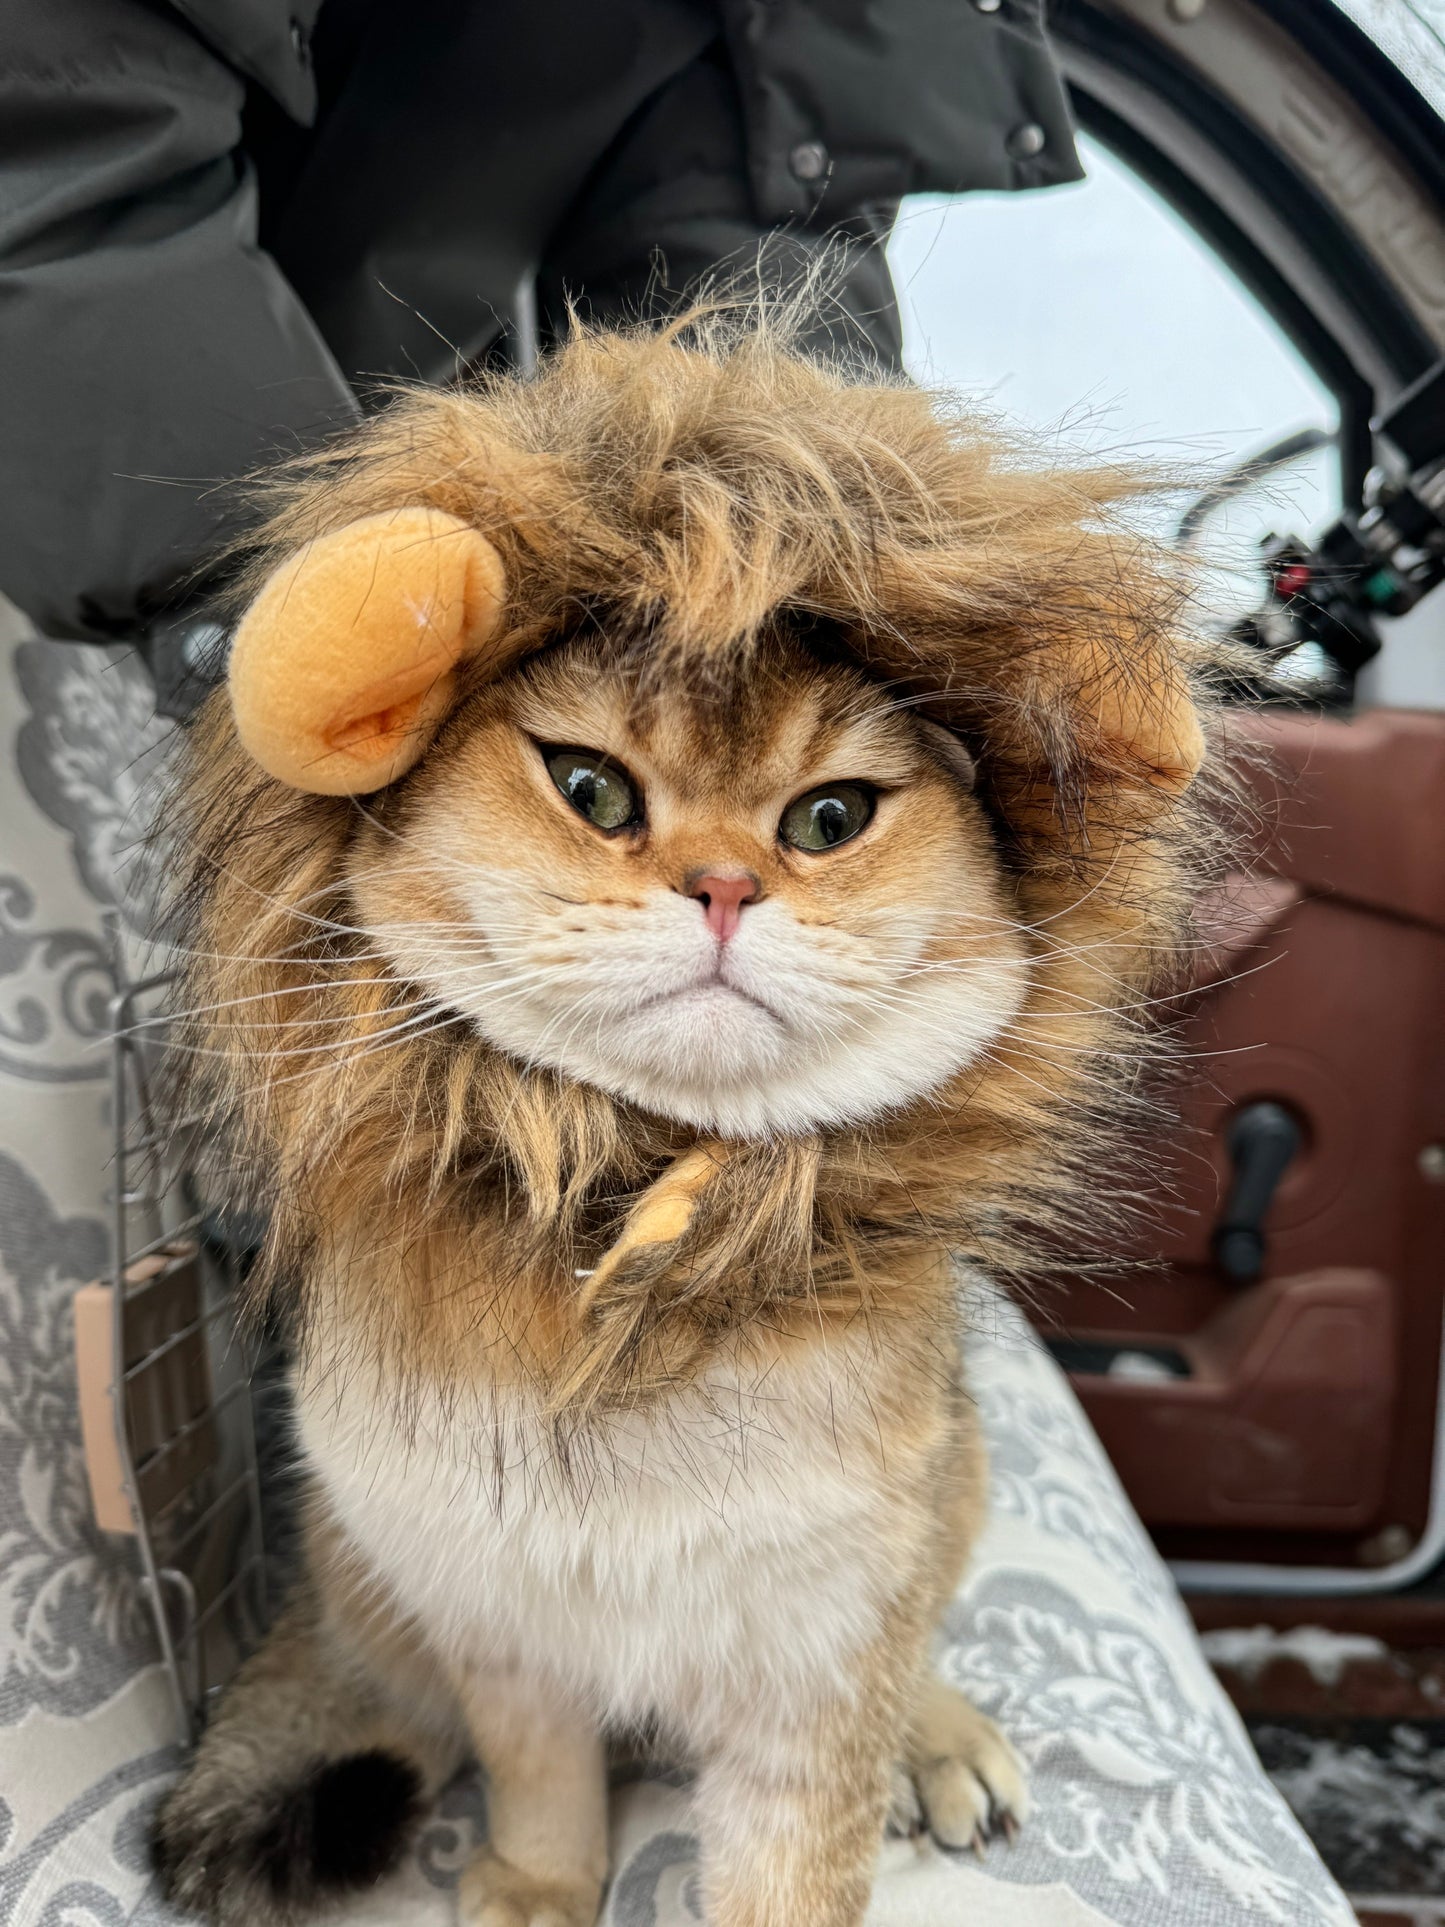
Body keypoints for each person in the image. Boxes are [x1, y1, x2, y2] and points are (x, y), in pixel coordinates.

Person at [0, 0, 1079, 709]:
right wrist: (289, 617)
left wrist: (824, 612)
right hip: (102, 518)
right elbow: (53, 125)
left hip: (349, 510)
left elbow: (752, 210)